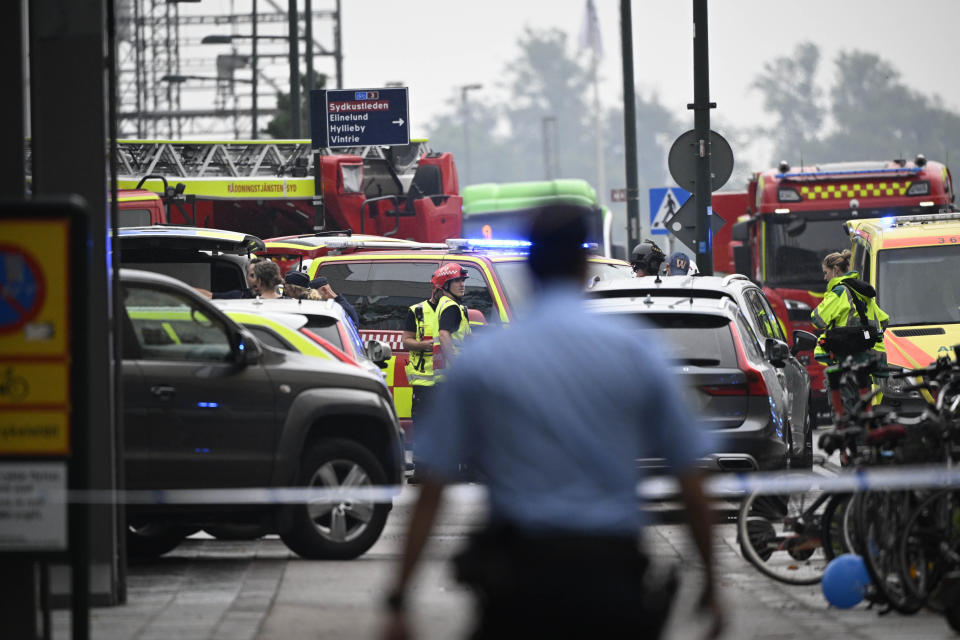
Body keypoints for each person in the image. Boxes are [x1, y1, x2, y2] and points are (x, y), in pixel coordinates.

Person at [383, 206, 723, 640]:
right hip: (611, 580)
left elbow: (432, 490)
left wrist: (399, 598)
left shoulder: (487, 359)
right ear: (584, 267)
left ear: (529, 267)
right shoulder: (637, 352)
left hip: (518, 583)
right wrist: (711, 585)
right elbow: (692, 479)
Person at [811, 249, 889, 366]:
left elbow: (818, 320)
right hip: (875, 360)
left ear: (835, 270)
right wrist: (864, 335)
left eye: (826, 272)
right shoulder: (861, 291)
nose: (825, 278)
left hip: (849, 360)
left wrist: (849, 335)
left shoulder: (840, 291)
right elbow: (884, 321)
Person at [430, 262, 471, 373]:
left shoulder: (443, 304)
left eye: (463, 280)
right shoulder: (451, 307)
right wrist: (456, 366)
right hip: (453, 374)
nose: (462, 284)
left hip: (444, 374)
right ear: (445, 285)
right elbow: (443, 335)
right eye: (457, 281)